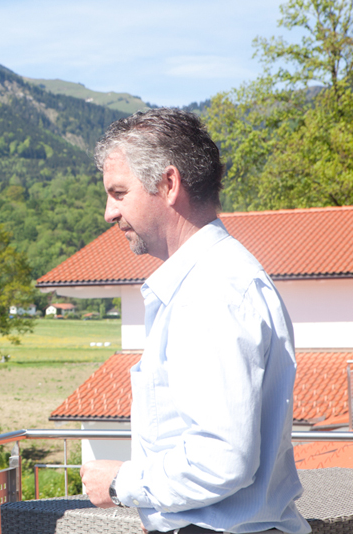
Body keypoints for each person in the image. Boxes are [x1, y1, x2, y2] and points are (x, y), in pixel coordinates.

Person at [80, 109, 311, 534]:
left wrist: (120, 482)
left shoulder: (210, 291)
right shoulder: (215, 279)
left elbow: (221, 460)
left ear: (169, 184)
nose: (109, 212)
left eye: (119, 193)